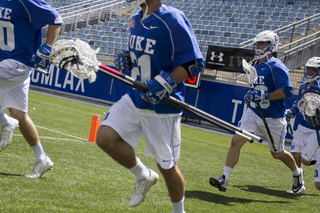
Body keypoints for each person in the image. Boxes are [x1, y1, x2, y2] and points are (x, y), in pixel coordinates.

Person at [96, 0, 204, 212]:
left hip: (161, 104)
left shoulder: (172, 18)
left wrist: (167, 82)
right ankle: (143, 176)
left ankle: (178, 210)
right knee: (104, 137)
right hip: (135, 95)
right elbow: (145, 55)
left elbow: (194, 63)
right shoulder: (137, 16)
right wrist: (128, 59)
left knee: (166, 165)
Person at [209, 30, 303, 193]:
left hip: (273, 116)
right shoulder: (256, 65)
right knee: (236, 141)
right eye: (257, 43)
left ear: (271, 45)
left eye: (262, 43)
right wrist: (251, 95)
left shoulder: (276, 66)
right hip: (254, 112)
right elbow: (257, 88)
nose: (258, 46)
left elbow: (287, 91)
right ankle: (224, 178)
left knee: (278, 153)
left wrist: (265, 95)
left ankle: (297, 174)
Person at [0, 0, 62, 178]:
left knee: (14, 117)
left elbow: (55, 19)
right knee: (19, 114)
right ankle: (42, 159)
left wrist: (48, 46)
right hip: (6, 60)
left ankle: (5, 121)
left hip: (19, 61)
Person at [286, 57, 320, 194]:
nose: (310, 72)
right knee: (294, 155)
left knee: (305, 160)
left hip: (316, 128)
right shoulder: (303, 86)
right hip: (302, 125)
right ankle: (300, 186)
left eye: (314, 69)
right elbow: (299, 102)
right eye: (308, 69)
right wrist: (292, 112)